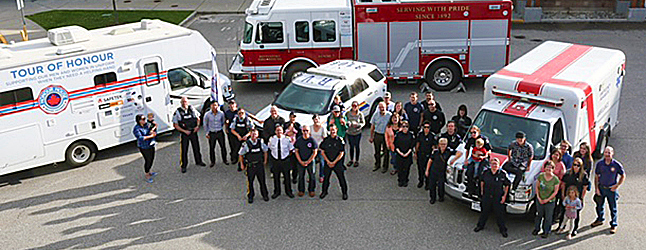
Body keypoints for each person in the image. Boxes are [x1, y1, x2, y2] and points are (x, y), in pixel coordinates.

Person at [590, 146, 625, 234]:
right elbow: (597, 176)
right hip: (601, 188)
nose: (607, 154)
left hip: (611, 190)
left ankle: (613, 224)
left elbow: (623, 175)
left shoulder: (616, 165)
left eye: (609, 153)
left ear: (612, 153)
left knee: (613, 208)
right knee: (599, 205)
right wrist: (596, 188)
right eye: (606, 152)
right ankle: (600, 219)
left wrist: (616, 186)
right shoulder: (600, 164)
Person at [474, 158, 510, 238]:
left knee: (499, 214)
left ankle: (503, 230)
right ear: (490, 165)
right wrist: (482, 192)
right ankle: (480, 226)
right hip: (487, 196)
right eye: (492, 164)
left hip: (497, 197)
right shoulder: (486, 173)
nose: (494, 166)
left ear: (499, 165)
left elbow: (507, 185)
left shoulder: (502, 174)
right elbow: (482, 181)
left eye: (496, 164)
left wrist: (504, 196)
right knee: (484, 212)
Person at [556, 157, 589, 236]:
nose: (576, 167)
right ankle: (561, 226)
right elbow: (563, 185)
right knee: (563, 212)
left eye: (578, 165)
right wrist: (563, 195)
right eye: (574, 164)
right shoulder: (568, 173)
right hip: (567, 196)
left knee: (576, 214)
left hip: (576, 198)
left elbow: (585, 188)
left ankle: (574, 229)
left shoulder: (583, 175)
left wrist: (581, 198)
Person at [173, 97, 206, 173]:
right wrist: (184, 131)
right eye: (183, 102)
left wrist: (197, 126)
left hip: (193, 132)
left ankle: (199, 161)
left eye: (185, 101)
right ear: (181, 103)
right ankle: (183, 166)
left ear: (188, 102)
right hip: (185, 134)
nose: (184, 103)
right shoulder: (178, 112)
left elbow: (198, 118)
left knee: (196, 147)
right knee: (184, 150)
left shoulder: (192, 109)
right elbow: (175, 125)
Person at [425, 138, 462, 204]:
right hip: (433, 171)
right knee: (432, 186)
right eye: (441, 144)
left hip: (442, 172)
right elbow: (430, 161)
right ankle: (432, 198)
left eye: (444, 144)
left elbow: (460, 153)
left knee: (441, 186)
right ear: (439, 145)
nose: (443, 146)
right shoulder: (435, 152)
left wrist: (453, 159)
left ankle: (441, 197)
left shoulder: (449, 151)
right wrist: (427, 170)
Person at [239, 128, 270, 203]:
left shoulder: (261, 142)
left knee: (262, 181)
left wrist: (265, 161)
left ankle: (265, 195)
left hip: (259, 165)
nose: (254, 136)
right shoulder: (246, 144)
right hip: (250, 166)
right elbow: (240, 154)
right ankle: (250, 196)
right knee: (250, 182)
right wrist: (242, 164)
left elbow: (265, 151)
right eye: (252, 134)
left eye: (255, 134)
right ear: (250, 134)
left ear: (258, 135)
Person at [319, 125, 349, 200]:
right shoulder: (326, 140)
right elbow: (322, 151)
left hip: (337, 163)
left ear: (336, 130)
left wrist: (334, 162)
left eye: (334, 130)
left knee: (341, 179)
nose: (332, 131)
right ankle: (324, 192)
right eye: (331, 130)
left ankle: (344, 193)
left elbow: (341, 153)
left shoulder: (340, 140)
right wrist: (328, 161)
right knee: (326, 179)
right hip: (328, 162)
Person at [533, 160, 560, 238]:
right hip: (540, 199)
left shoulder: (555, 179)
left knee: (548, 217)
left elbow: (555, 192)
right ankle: (536, 229)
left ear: (553, 169)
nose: (549, 169)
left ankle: (546, 231)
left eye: (551, 168)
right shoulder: (541, 176)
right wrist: (538, 197)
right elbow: (537, 187)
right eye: (547, 168)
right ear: (544, 168)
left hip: (550, 201)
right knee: (539, 215)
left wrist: (547, 200)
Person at [268, 126, 295, 199]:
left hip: (285, 161)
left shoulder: (287, 139)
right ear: (275, 131)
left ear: (283, 131)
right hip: (276, 160)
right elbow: (270, 148)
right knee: (276, 177)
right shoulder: (272, 139)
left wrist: (286, 157)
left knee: (287, 177)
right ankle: (277, 192)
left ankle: (288, 191)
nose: (279, 132)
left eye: (280, 130)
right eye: (277, 130)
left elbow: (291, 149)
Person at [294, 125, 318, 197]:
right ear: (301, 131)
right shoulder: (299, 140)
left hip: (310, 161)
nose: (305, 132)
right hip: (301, 161)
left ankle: (311, 190)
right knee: (301, 176)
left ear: (309, 131)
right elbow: (296, 151)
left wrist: (309, 161)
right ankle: (301, 190)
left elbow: (315, 152)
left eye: (307, 130)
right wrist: (300, 161)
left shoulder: (312, 140)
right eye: (304, 130)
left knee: (312, 176)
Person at [133, 114, 158, 183]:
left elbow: (153, 128)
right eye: (143, 119)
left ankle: (150, 171)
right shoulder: (136, 128)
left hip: (150, 145)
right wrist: (150, 136)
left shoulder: (147, 125)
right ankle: (147, 174)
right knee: (148, 160)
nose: (145, 120)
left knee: (152, 158)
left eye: (145, 119)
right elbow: (140, 138)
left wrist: (154, 128)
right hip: (143, 146)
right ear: (139, 121)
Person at [203, 102, 228, 168]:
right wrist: (207, 133)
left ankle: (225, 159)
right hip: (212, 133)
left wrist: (220, 128)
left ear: (218, 106)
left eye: (216, 105)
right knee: (212, 148)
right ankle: (212, 161)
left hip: (219, 132)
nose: (214, 107)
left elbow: (223, 122)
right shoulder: (207, 114)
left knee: (223, 147)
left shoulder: (221, 113)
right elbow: (205, 124)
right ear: (210, 106)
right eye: (213, 105)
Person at [370, 102, 392, 173]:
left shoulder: (389, 115)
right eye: (380, 107)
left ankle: (385, 167)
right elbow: (372, 126)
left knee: (386, 152)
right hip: (377, 134)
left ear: (386, 107)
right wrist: (371, 136)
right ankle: (377, 164)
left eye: (383, 107)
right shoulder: (375, 115)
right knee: (377, 151)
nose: (381, 109)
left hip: (386, 135)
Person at [416, 121, 436, 189]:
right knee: (420, 169)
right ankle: (421, 181)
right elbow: (418, 144)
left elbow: (434, 146)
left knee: (428, 170)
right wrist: (416, 153)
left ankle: (427, 183)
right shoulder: (420, 135)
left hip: (428, 155)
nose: (426, 129)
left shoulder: (432, 136)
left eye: (428, 127)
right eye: (425, 127)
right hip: (421, 155)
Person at [395, 121, 415, 187]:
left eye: (406, 126)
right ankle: (400, 180)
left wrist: (407, 153)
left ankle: (405, 180)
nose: (405, 128)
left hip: (408, 155)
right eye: (403, 126)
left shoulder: (411, 135)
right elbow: (396, 145)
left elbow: (412, 146)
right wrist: (400, 153)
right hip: (399, 155)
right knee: (400, 169)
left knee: (406, 169)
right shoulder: (398, 134)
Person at [345, 101, 365, 168]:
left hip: (357, 132)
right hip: (350, 132)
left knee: (357, 146)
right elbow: (345, 120)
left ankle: (356, 160)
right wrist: (348, 123)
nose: (354, 107)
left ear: (358, 107)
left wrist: (358, 125)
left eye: (355, 106)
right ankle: (351, 160)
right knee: (351, 146)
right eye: (353, 106)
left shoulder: (360, 114)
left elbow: (363, 123)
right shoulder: (348, 113)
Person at [284, 112, 302, 183]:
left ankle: (294, 177)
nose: (293, 118)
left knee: (295, 165)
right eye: (291, 117)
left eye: (294, 117)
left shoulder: (298, 125)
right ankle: (286, 178)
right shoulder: (286, 125)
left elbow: (300, 135)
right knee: (286, 165)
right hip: (287, 148)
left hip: (295, 148)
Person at [311, 114, 328, 183]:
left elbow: (325, 138)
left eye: (317, 119)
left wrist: (323, 148)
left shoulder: (323, 128)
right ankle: (312, 176)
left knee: (322, 162)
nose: (316, 121)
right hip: (313, 148)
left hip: (320, 148)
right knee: (313, 162)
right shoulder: (310, 127)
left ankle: (322, 175)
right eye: (315, 119)